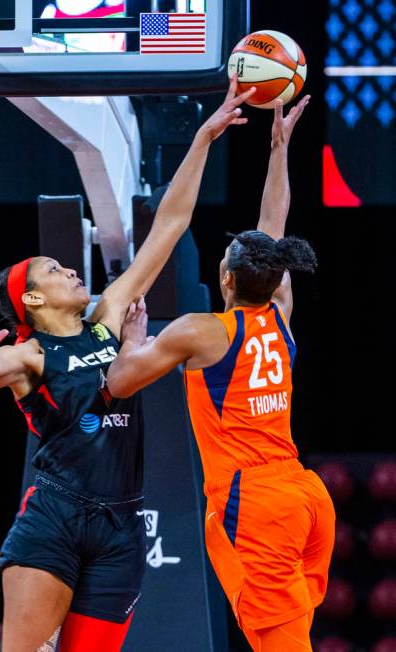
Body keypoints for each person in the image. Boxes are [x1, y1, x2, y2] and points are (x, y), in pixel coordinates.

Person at [0, 78, 256, 652]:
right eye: (55, 270)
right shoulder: (29, 354)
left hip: (121, 525)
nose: (70, 271)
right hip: (54, 518)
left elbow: (170, 226)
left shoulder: (106, 318)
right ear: (33, 300)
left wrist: (205, 138)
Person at [107, 96, 336, 652]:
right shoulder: (279, 314)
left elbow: (116, 384)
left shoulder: (204, 331)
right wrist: (279, 148)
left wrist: (134, 342)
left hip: (255, 505)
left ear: (226, 278)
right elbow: (273, 230)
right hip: (306, 496)